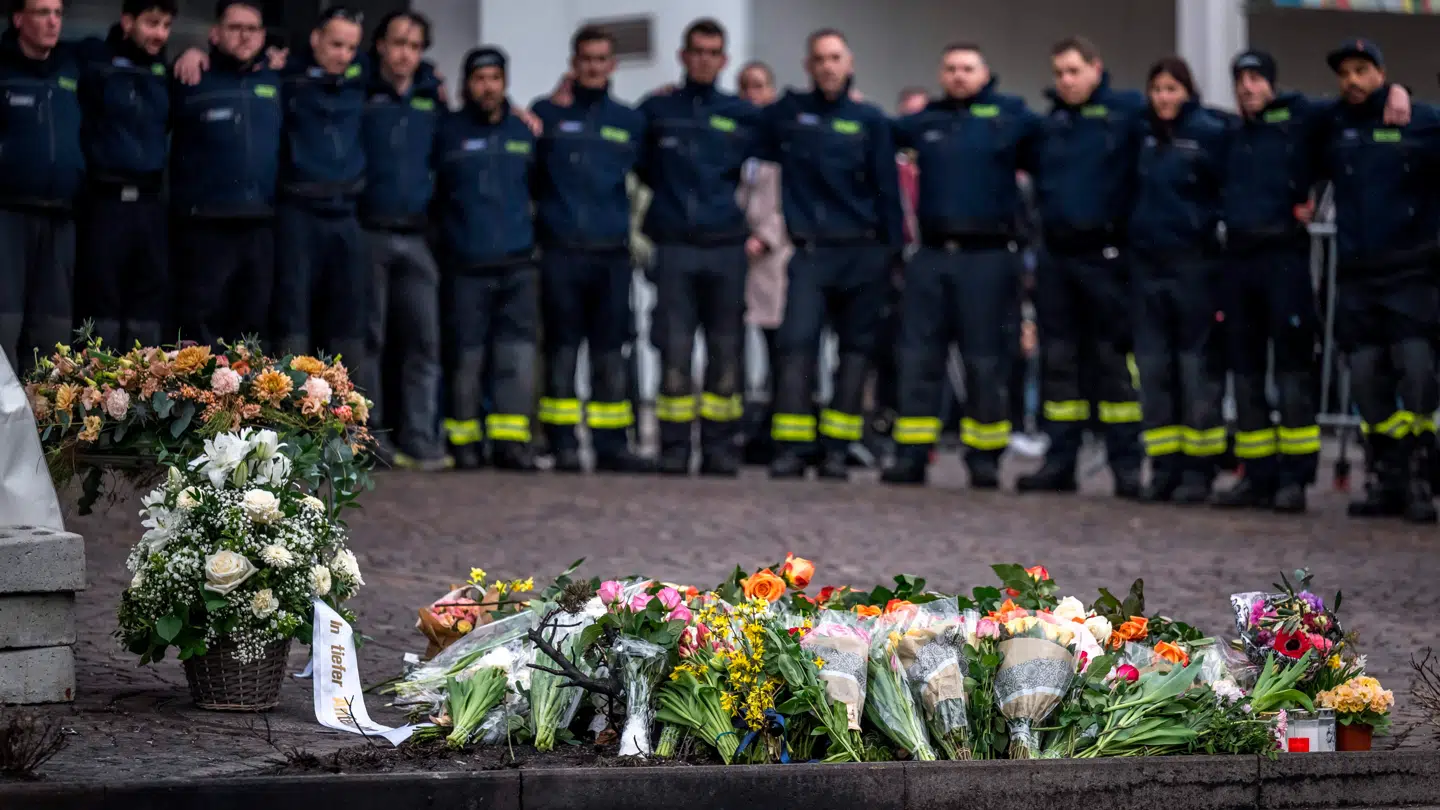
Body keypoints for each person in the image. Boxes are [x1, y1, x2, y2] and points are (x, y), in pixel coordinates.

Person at [1213, 51, 1410, 514]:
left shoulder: (1302, 116)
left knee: (1292, 370)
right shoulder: (1230, 132)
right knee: (1244, 372)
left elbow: (1357, 104)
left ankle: (1294, 478)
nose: (1247, 87)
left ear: (1272, 84)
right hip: (1239, 261)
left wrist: (1399, 91)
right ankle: (1257, 474)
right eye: (1240, 79)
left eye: (1257, 78)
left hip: (1284, 259)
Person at [884, 43, 1040, 488]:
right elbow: (881, 136)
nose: (958, 76)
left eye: (967, 68)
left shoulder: (1011, 118)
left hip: (988, 256)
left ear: (985, 72)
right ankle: (912, 454)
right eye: (950, 68)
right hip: (932, 255)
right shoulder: (926, 122)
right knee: (918, 360)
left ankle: (986, 457)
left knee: (986, 362)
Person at [762, 29, 903, 481]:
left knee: (855, 354)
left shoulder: (870, 120)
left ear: (850, 63)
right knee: (796, 346)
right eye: (819, 58)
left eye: (835, 58)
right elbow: (742, 118)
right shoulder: (790, 114)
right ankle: (792, 447)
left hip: (863, 252)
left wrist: (892, 252)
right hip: (811, 252)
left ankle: (838, 449)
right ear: (808, 66)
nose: (827, 66)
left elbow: (888, 190)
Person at [1314, 39, 1440, 523]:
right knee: (1366, 381)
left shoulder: (1418, 120)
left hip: (1411, 273)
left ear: (1380, 72)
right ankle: (1386, 477)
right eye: (1344, 72)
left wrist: (1402, 91)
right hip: (1358, 278)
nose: (1351, 80)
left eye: (1362, 70)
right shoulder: (1336, 124)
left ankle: (1420, 477)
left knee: (1417, 375)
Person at [1017, 36, 1147, 498]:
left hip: (1106, 257)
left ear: (1097, 67)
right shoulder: (1049, 123)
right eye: (1059, 73)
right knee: (1059, 363)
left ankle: (1127, 466)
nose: (1066, 81)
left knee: (1112, 363)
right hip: (1057, 258)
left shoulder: (1126, 112)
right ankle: (1060, 462)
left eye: (1074, 71)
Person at [640, 19, 761, 476]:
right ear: (683, 55)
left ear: (724, 59)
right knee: (673, 349)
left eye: (714, 52)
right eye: (698, 51)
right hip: (674, 247)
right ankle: (673, 448)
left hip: (725, 248)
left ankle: (719, 448)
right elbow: (637, 163)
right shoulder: (657, 110)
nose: (705, 59)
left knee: (725, 352)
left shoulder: (743, 113)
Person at [531, 26, 652, 474]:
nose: (594, 66)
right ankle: (562, 442)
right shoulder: (546, 116)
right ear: (574, 63)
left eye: (602, 59)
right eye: (586, 59)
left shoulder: (630, 121)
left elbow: (653, 176)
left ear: (612, 64)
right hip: (561, 252)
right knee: (562, 350)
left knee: (609, 351)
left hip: (611, 255)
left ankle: (610, 445)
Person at [1128, 57, 1230, 504]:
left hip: (1195, 266)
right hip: (1147, 268)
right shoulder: (1142, 136)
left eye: (1172, 89)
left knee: (1196, 372)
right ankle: (1164, 467)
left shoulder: (1209, 134)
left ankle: (1199, 470)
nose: (1164, 97)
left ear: (1187, 91)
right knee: (1153, 373)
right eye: (1157, 89)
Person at [434, 47, 540, 473]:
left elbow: (540, 188)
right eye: (479, 78)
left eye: (495, 77)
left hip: (518, 266)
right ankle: (465, 442)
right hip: (465, 266)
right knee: (467, 358)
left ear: (505, 82)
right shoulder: (448, 133)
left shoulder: (524, 132)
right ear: (466, 83)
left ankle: (510, 443)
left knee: (514, 359)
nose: (487, 86)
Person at [359, 10, 447, 470]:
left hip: (417, 237)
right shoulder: (361, 92)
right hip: (369, 231)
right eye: (397, 43)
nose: (405, 54)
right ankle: (371, 439)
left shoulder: (431, 99)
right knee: (370, 341)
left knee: (423, 343)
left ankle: (419, 437)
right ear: (380, 46)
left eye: (414, 47)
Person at [168, 1, 282, 350]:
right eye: (235, 27)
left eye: (253, 28)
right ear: (214, 34)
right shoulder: (191, 78)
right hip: (205, 226)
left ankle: (250, 404)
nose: (245, 36)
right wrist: (187, 53)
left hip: (260, 224)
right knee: (199, 326)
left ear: (263, 36)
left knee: (252, 328)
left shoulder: (276, 80)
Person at [73, 0, 175, 352]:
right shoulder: (94, 60)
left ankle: (143, 394)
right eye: (151, 23)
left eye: (165, 25)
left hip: (149, 203)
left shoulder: (166, 71)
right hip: (105, 202)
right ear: (128, 21)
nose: (159, 33)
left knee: (148, 301)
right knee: (99, 300)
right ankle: (96, 394)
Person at [0, 0, 82, 372]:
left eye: (58, 13)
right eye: (42, 12)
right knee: (6, 324)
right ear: (18, 19)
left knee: (52, 334)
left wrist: (194, 53)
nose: (53, 21)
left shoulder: (74, 66)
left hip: (60, 215)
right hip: (9, 214)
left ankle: (46, 423)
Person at [735, 60, 791, 466]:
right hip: (735, 256)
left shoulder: (781, 141)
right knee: (733, 348)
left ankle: (774, 429)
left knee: (779, 350)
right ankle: (739, 428)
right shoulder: (736, 142)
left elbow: (791, 199)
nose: (752, 94)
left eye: (759, 86)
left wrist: (765, 237)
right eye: (745, 87)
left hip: (772, 259)